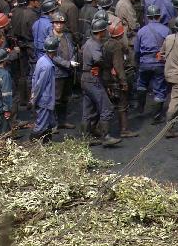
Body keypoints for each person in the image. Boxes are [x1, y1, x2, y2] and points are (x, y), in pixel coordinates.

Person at [81, 19, 122, 147]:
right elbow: (98, 59)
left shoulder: (89, 42)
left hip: (86, 78)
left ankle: (86, 137)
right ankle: (105, 136)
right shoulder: (94, 44)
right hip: (92, 79)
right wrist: (108, 64)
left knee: (88, 110)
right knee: (107, 107)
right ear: (102, 31)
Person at [134, 5, 170, 123]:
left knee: (141, 84)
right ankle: (156, 117)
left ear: (147, 17)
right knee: (160, 89)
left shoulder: (141, 31)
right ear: (159, 16)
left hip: (145, 62)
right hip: (160, 63)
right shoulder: (166, 30)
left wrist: (138, 62)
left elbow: (137, 50)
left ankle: (140, 108)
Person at [105, 19, 138, 138]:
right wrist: (123, 81)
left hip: (108, 78)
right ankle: (124, 130)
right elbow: (118, 65)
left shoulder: (106, 43)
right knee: (122, 105)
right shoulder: (117, 46)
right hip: (117, 80)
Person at [47, 13, 77, 130]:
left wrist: (73, 60)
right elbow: (53, 56)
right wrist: (68, 63)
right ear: (53, 24)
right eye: (56, 23)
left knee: (65, 98)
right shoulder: (50, 38)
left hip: (68, 72)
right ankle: (53, 124)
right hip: (58, 73)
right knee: (56, 99)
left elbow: (73, 50)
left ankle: (62, 121)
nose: (59, 25)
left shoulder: (67, 36)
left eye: (61, 23)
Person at [30, 35, 59, 142]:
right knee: (41, 125)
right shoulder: (48, 66)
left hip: (43, 98)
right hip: (45, 99)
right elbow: (40, 85)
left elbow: (34, 78)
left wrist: (33, 94)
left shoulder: (41, 60)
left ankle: (47, 142)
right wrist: (34, 99)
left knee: (48, 123)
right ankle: (32, 143)